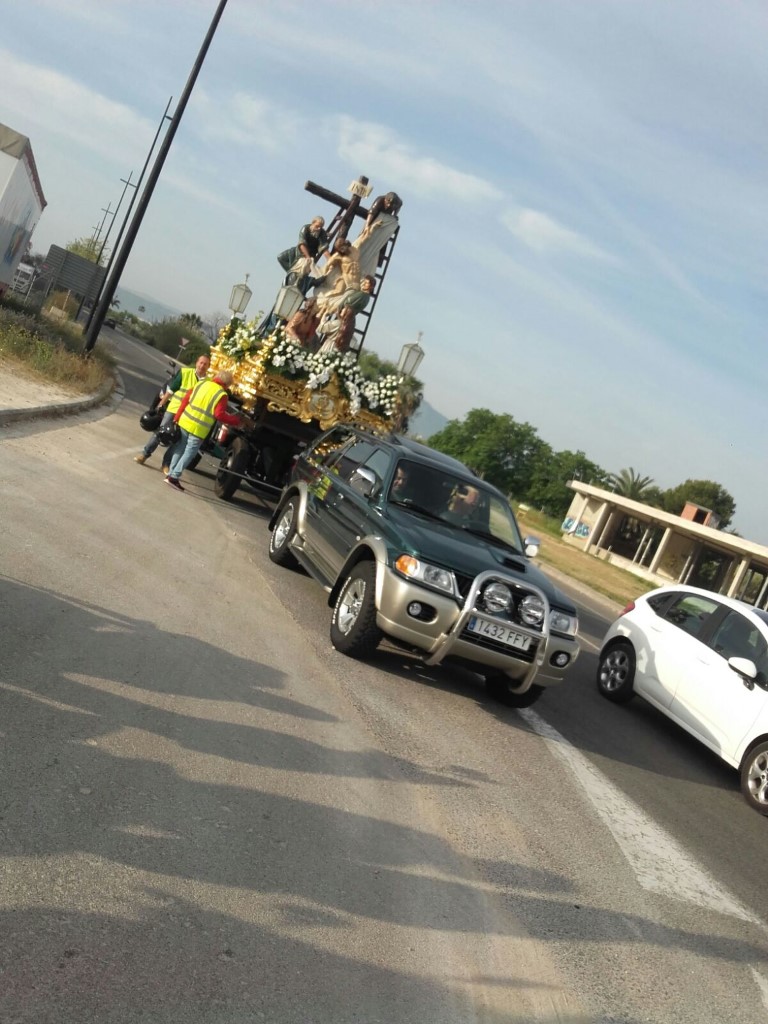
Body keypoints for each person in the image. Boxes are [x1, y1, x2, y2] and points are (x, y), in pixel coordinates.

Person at [165, 370, 244, 492]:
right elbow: (219, 415)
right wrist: (235, 420)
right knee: (189, 453)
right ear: (227, 384)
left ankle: (170, 473)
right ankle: (174, 477)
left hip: (185, 421)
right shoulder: (221, 394)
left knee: (180, 448)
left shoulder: (201, 384)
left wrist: (177, 418)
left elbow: (185, 400)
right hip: (199, 428)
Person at [134, 354, 210, 472]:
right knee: (160, 433)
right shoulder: (185, 373)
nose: (202, 366)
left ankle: (166, 464)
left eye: (205, 364)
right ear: (196, 363)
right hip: (174, 409)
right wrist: (161, 404)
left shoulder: (208, 382)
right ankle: (144, 454)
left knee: (177, 440)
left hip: (188, 415)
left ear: (209, 367)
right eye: (201, 362)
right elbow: (170, 390)